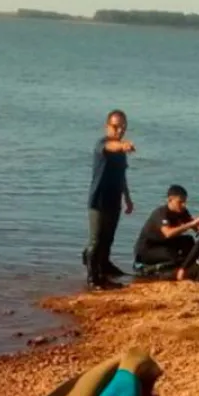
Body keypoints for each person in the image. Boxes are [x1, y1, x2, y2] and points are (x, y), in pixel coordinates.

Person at [84, 110, 135, 290]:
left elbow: (122, 176)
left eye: (123, 127)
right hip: (98, 200)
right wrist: (122, 146)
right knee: (96, 240)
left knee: (108, 239)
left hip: (114, 200)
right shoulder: (102, 144)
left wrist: (127, 198)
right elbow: (110, 147)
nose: (120, 130)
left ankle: (103, 271)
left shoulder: (120, 151)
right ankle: (92, 278)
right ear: (107, 126)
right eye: (116, 127)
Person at [134, 185, 199, 267]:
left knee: (188, 240)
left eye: (185, 202)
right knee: (171, 255)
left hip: (165, 244)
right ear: (170, 200)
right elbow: (168, 233)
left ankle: (188, 264)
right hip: (147, 249)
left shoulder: (183, 211)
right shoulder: (161, 213)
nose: (184, 205)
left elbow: (196, 229)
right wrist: (190, 224)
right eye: (180, 202)